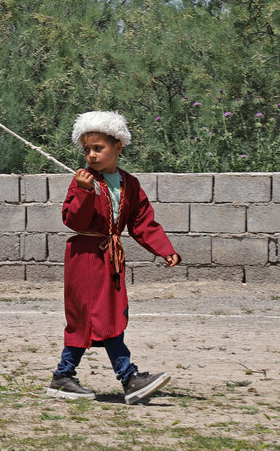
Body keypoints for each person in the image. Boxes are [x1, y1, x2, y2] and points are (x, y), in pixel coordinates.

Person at [47, 111, 182, 405]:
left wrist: (164, 249)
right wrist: (83, 193)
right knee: (92, 316)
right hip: (84, 257)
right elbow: (73, 219)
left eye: (98, 148)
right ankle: (129, 377)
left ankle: (63, 376)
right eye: (86, 150)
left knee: (107, 315)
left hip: (110, 258)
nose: (92, 156)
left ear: (118, 147)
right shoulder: (82, 181)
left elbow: (143, 223)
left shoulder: (129, 184)